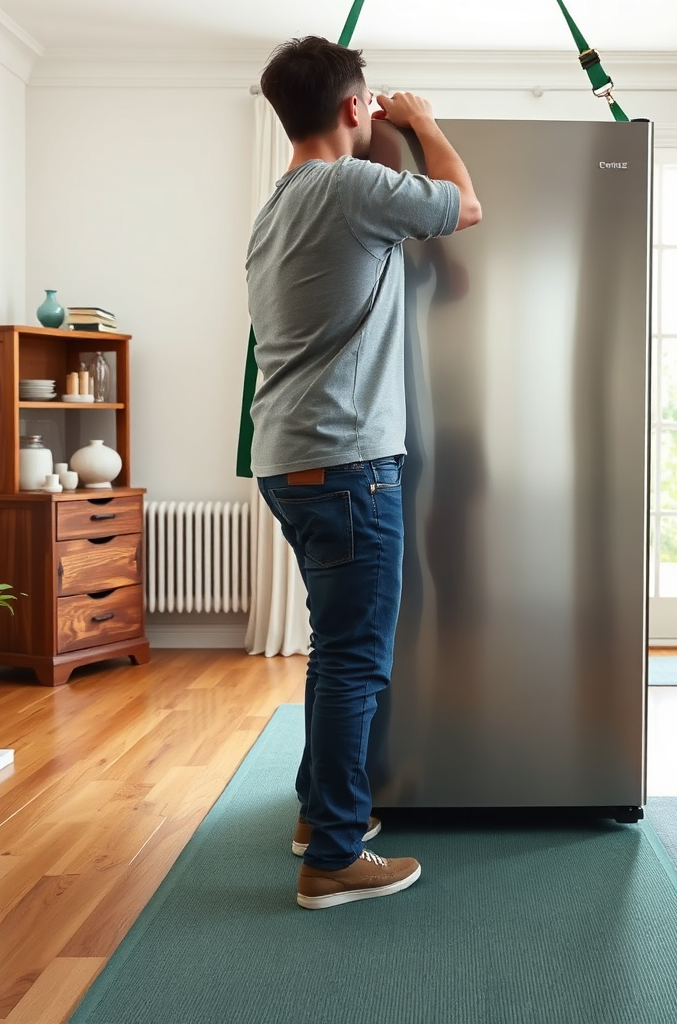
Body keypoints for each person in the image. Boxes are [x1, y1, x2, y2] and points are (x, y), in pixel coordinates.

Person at [246, 36, 482, 910]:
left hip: (293, 461)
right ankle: (335, 859)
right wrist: (422, 123)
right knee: (352, 661)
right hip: (346, 464)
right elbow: (463, 207)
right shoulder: (350, 188)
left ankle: (320, 817)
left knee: (333, 652)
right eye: (373, 100)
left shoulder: (278, 203)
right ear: (353, 109)